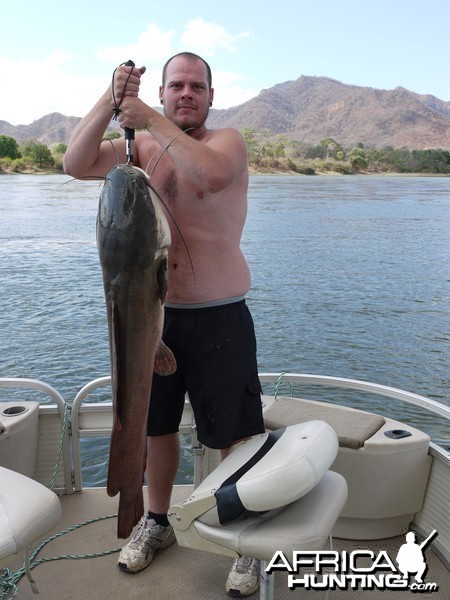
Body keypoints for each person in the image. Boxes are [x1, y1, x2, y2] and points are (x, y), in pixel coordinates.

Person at [64, 52, 265, 597]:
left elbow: (213, 176)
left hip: (219, 317)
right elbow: (75, 163)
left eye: (195, 87)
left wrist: (148, 116)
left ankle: (245, 539)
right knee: (155, 429)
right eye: (175, 85)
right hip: (152, 318)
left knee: (236, 435)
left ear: (210, 95)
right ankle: (156, 521)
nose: (185, 94)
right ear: (161, 89)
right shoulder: (138, 150)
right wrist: (111, 100)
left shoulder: (226, 144)